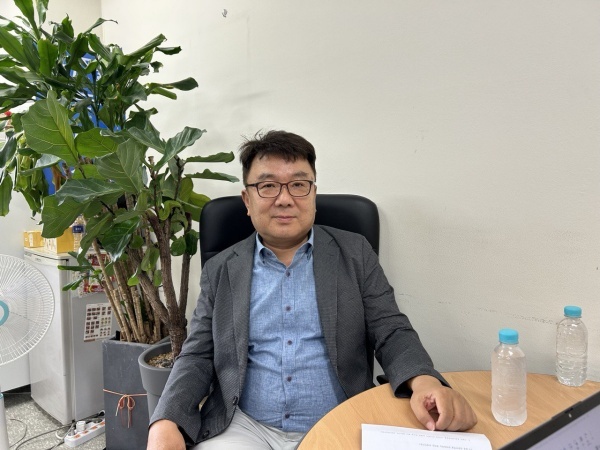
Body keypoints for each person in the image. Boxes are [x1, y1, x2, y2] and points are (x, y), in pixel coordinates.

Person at [147, 130, 477, 450]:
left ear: (313, 194)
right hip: (244, 426)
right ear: (247, 200)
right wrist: (167, 419)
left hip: (338, 418)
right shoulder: (221, 269)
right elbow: (198, 354)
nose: (285, 199)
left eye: (298, 185)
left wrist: (424, 380)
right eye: (268, 186)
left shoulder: (355, 253)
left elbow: (391, 329)